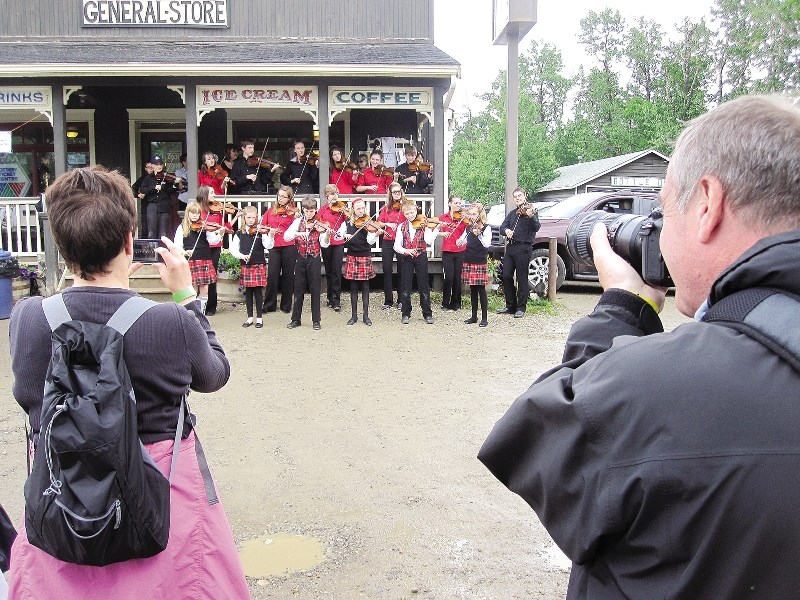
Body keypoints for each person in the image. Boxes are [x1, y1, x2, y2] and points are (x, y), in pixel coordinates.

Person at [478, 94, 800, 599]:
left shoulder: (660, 387)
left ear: (708, 206)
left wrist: (622, 310)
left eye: (665, 210)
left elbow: (543, 448)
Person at [7, 166, 249, 599]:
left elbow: (28, 394)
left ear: (62, 246)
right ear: (128, 239)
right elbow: (215, 374)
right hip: (158, 487)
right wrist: (186, 296)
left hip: (62, 493)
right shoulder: (170, 321)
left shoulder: (28, 318)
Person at [283, 195, 332, 330]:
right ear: (303, 210)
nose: (309, 214)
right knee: (298, 289)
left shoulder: (320, 223)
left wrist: (327, 235)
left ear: (315, 210)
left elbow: (324, 244)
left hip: (314, 259)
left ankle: (316, 320)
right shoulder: (297, 222)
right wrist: (298, 234)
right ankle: (295, 319)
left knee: (315, 290)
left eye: (311, 211)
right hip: (300, 258)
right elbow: (286, 236)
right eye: (306, 211)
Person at [496, 188, 540, 318]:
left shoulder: (531, 211)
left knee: (521, 278)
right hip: (511, 247)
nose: (517, 198)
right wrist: (507, 231)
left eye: (519, 195)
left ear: (525, 196)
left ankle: (521, 307)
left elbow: (536, 227)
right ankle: (510, 306)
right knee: (506, 275)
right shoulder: (512, 213)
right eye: (515, 196)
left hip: (524, 248)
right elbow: (502, 228)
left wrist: (531, 217)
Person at [174, 201, 223, 313]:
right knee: (193, 289)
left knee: (205, 289)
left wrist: (219, 234)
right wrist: (184, 252)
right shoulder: (182, 227)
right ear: (188, 213)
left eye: (197, 213)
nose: (195, 215)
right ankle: (192, 312)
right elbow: (177, 244)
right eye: (193, 213)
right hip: (192, 261)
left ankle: (201, 313)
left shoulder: (204, 226)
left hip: (205, 258)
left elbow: (212, 240)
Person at [229, 205, 273, 329]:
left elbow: (268, 246)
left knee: (258, 292)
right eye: (249, 217)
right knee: (248, 292)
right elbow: (233, 250)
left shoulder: (261, 232)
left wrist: (271, 235)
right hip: (246, 265)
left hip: (259, 263)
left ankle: (259, 318)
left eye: (254, 217)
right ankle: (249, 317)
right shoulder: (239, 233)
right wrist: (242, 256)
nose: (251, 220)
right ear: (244, 218)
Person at [196, 185, 237, 316]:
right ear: (204, 195)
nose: (214, 195)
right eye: (212, 193)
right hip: (202, 246)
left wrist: (236, 217)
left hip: (215, 247)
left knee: (212, 276)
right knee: (201, 276)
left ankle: (211, 306)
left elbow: (224, 226)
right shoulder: (198, 210)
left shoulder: (218, 211)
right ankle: (200, 303)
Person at [394, 201, 437, 324]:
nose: (410, 215)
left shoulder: (423, 224)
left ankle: (427, 314)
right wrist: (406, 250)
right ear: (404, 214)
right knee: (405, 286)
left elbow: (428, 240)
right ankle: (406, 313)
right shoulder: (401, 226)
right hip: (407, 258)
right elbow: (397, 245)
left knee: (424, 286)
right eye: (407, 213)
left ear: (416, 211)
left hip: (421, 257)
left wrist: (436, 229)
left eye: (412, 212)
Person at [343, 198, 382, 326]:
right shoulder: (348, 222)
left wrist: (376, 234)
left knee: (365, 287)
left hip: (364, 255)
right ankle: (353, 316)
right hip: (352, 256)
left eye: (363, 208)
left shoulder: (368, 222)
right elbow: (339, 235)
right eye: (358, 209)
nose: (361, 211)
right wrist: (345, 235)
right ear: (353, 209)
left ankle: (366, 316)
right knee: (353, 287)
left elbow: (370, 241)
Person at [260, 185, 299, 314]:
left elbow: (299, 226)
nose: (281, 198)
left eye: (284, 196)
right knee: (272, 275)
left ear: (289, 198)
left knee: (288, 275)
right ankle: (269, 304)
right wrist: (269, 231)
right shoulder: (270, 211)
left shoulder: (292, 212)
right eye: (279, 195)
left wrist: (298, 216)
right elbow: (262, 226)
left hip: (289, 245)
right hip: (275, 245)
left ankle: (286, 305)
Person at [317, 184, 349, 311]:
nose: (335, 196)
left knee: (336, 270)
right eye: (332, 194)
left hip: (338, 243)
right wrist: (325, 227)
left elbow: (350, 220)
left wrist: (346, 213)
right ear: (326, 196)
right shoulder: (323, 210)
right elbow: (317, 222)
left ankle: (336, 300)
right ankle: (330, 297)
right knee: (329, 270)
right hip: (326, 242)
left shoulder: (342, 209)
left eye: (337, 193)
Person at [460, 202, 491, 327]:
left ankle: (484, 318)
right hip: (469, 258)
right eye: (470, 214)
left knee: (481, 290)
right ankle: (474, 316)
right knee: (472, 289)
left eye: (474, 214)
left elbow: (487, 244)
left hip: (479, 260)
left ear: (480, 214)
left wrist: (480, 235)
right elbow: (463, 239)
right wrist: (459, 241)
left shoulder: (486, 227)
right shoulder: (468, 227)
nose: (472, 217)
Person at [437, 194, 468, 311]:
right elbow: (433, 232)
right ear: (450, 204)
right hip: (447, 250)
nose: (458, 205)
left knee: (457, 278)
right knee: (449, 277)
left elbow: (468, 232)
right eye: (455, 203)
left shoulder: (463, 218)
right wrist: (442, 233)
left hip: (460, 250)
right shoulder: (443, 218)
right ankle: (445, 303)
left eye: (459, 203)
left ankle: (456, 303)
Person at [377, 182, 406, 308]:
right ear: (390, 194)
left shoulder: (405, 206)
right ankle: (388, 300)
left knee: (402, 269)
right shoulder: (386, 208)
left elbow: (412, 218)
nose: (397, 194)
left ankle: (401, 300)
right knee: (387, 269)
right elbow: (378, 223)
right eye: (395, 192)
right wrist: (388, 224)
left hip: (401, 241)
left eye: (399, 191)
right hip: (388, 240)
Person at [139, 154, 174, 239]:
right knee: (151, 231)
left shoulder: (166, 177)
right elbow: (143, 190)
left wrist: (175, 185)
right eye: (156, 164)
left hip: (164, 205)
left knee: (163, 233)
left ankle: (162, 251)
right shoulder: (148, 178)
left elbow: (171, 191)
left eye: (160, 164)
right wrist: (153, 188)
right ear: (152, 165)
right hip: (152, 206)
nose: (159, 166)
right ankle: (153, 251)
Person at [132, 161, 153, 235]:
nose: (151, 169)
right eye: (149, 167)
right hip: (146, 205)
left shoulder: (159, 178)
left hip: (156, 204)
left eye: (152, 167)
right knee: (145, 226)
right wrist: (138, 195)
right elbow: (132, 189)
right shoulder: (143, 179)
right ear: (145, 169)